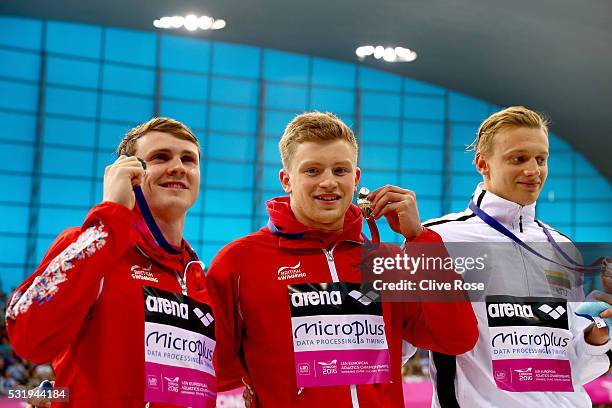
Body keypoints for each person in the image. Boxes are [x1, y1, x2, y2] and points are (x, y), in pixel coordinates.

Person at [206, 111, 478, 407]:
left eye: (340, 170)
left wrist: (421, 240)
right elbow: (214, 370)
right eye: (312, 171)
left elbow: (458, 338)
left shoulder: (385, 260)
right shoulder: (240, 261)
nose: (328, 182)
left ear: (356, 176)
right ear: (286, 179)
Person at [6, 118, 216, 407]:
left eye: (189, 159)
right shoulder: (91, 245)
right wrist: (111, 217)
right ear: (128, 173)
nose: (179, 166)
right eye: (160, 157)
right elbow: (28, 336)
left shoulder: (195, 274)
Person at [422, 106, 611, 407]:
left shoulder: (562, 247)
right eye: (518, 158)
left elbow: (575, 368)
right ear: (482, 163)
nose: (533, 170)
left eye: (541, 159)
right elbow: (398, 344)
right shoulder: (437, 239)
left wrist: (597, 334)